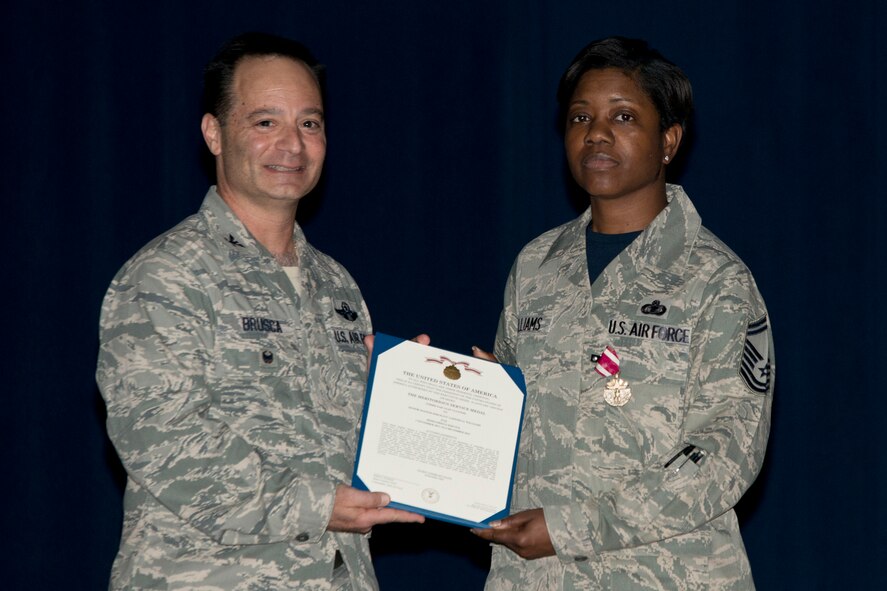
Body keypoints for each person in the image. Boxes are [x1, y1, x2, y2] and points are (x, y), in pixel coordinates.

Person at [96, 32, 424, 590]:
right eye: (266, 122)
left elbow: (348, 446)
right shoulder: (165, 276)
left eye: (310, 123)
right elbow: (168, 443)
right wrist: (320, 505)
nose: (293, 144)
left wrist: (414, 399)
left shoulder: (337, 288)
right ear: (215, 133)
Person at [471, 37, 774, 590]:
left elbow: (727, 452)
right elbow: (510, 416)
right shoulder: (536, 265)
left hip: (666, 575)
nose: (597, 133)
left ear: (669, 141)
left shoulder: (716, 280)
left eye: (624, 116)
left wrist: (572, 528)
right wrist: (454, 398)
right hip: (535, 577)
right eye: (580, 116)